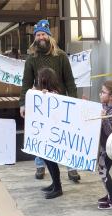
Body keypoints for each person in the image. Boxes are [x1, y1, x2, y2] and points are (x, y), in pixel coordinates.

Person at [19, 19, 81, 183]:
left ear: (49, 36)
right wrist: (23, 103)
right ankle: (40, 165)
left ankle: (71, 167)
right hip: (41, 104)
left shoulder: (61, 57)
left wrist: (73, 103)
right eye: (38, 34)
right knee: (41, 135)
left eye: (43, 34)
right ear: (35, 37)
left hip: (60, 102)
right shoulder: (31, 58)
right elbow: (26, 82)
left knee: (65, 135)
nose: (41, 37)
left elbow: (70, 82)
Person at [35, 67, 64, 199]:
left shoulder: (54, 94)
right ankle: (55, 183)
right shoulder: (45, 93)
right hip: (46, 131)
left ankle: (58, 187)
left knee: (51, 160)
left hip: (52, 133)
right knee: (47, 159)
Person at [97, 80, 112, 209]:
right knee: (102, 171)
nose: (100, 94)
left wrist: (103, 119)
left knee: (104, 172)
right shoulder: (106, 107)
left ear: (111, 97)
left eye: (103, 92)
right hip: (104, 146)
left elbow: (109, 131)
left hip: (109, 147)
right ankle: (110, 194)